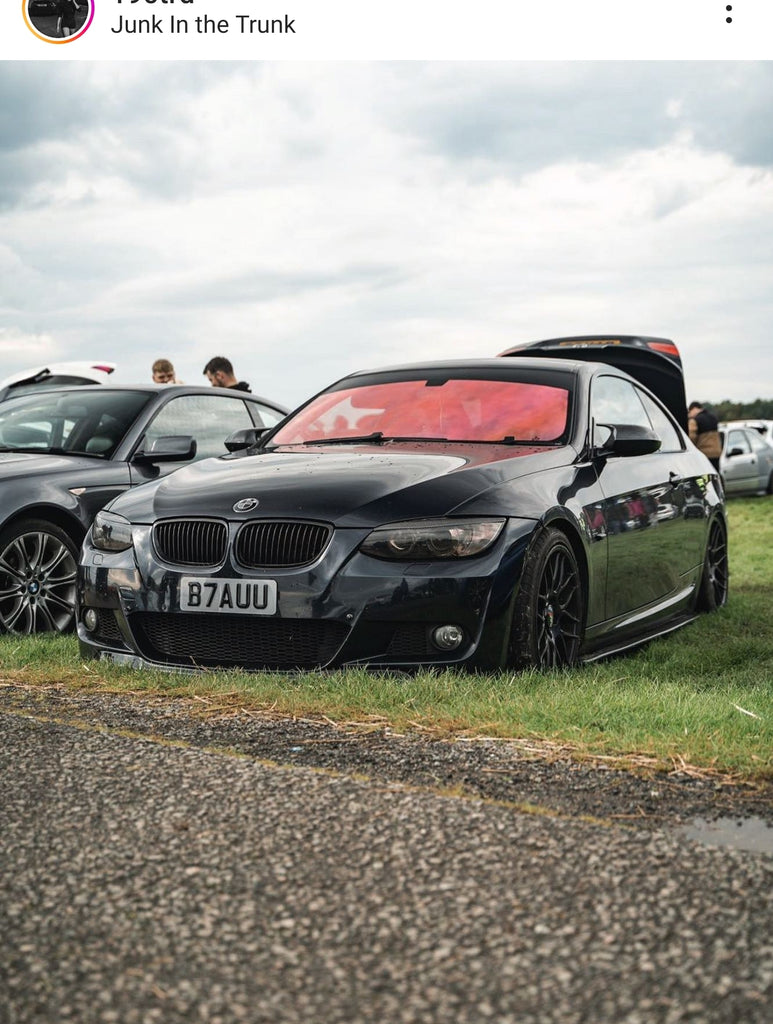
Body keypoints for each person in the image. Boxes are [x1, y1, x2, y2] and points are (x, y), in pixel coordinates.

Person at [688, 401, 721, 471]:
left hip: (704, 454)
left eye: (690, 412)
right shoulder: (713, 417)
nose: (690, 415)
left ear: (694, 409)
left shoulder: (694, 420)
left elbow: (692, 438)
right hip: (716, 453)